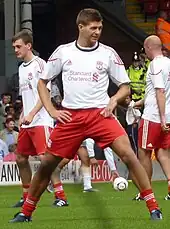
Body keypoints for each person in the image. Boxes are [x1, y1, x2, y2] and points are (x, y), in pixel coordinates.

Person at [10, 8, 162, 223]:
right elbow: (42, 83)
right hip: (71, 117)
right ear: (80, 27)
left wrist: (113, 100)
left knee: (128, 154)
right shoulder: (63, 52)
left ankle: (153, 207)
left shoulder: (108, 53)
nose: (97, 31)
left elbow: (125, 87)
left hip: (100, 114)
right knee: (46, 165)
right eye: (93, 27)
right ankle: (26, 212)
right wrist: (52, 110)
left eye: (100, 27)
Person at [9, 30, 56, 208]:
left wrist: (32, 114)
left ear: (29, 46)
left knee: (46, 159)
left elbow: (47, 94)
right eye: (14, 47)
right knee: (20, 158)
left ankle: (60, 196)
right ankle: (26, 194)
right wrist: (23, 114)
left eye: (18, 46)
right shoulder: (21, 68)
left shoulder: (40, 64)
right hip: (28, 121)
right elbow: (27, 95)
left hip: (41, 120)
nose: (15, 50)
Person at [132, 35, 170, 201]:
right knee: (163, 153)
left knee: (144, 153)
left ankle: (145, 192)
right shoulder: (168, 62)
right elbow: (157, 92)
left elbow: (160, 92)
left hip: (154, 117)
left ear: (148, 48)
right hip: (167, 115)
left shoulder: (155, 65)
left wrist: (161, 119)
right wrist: (140, 102)